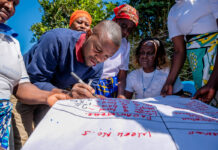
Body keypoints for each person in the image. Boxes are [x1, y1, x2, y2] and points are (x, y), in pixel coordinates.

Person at [11, 20, 122, 149]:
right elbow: (36, 79)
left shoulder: (98, 66)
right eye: (97, 50)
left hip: (54, 99)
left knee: (47, 142)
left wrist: (88, 97)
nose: (99, 59)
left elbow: (84, 93)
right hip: (24, 93)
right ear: (88, 34)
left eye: (106, 56)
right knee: (24, 143)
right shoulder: (56, 39)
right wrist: (68, 94)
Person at [0, 0, 70, 149]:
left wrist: (50, 96)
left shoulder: (12, 43)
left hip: (3, 125)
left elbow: (21, 86)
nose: (10, 6)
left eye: (15, 3)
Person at [161, 0, 218, 106]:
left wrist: (212, 83)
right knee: (208, 108)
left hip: (215, 62)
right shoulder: (173, 11)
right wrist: (169, 82)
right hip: (197, 63)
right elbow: (179, 51)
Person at [96, 4, 139, 98]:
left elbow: (122, 76)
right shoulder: (99, 36)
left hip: (111, 88)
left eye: (130, 30)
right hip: (91, 84)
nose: (125, 32)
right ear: (116, 21)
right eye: (123, 26)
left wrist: (120, 94)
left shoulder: (125, 45)